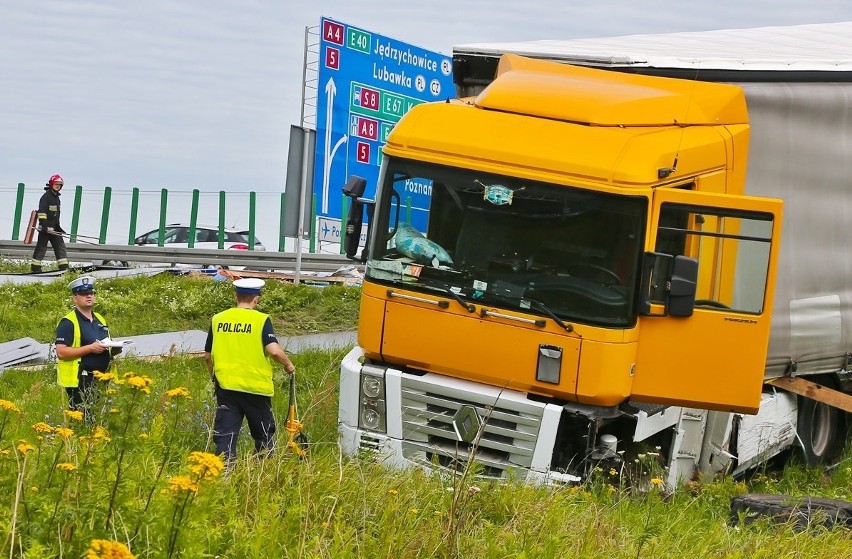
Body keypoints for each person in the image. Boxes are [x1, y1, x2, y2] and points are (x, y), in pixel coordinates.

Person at [203, 278, 296, 463]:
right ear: (256, 299)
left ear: (235, 296)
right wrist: (288, 365)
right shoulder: (261, 320)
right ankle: (264, 472)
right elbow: (274, 351)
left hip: (226, 387)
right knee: (263, 436)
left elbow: (207, 356)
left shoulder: (218, 319)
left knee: (225, 437)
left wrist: (214, 377)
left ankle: (223, 475)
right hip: (256, 390)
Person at [55, 276, 121, 420]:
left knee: (100, 417)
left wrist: (114, 348)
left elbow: (104, 342)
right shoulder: (68, 322)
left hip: (102, 378)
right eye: (84, 294)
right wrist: (90, 349)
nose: (89, 296)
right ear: (75, 298)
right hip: (82, 379)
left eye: (91, 293)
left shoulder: (99, 319)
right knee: (82, 419)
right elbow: (61, 352)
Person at [31, 174, 69, 273]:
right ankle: (35, 268)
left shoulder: (56, 197)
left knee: (60, 247)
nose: (58, 186)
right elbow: (42, 212)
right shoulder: (46, 197)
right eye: (56, 184)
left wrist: (57, 228)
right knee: (41, 248)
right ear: (52, 184)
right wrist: (44, 226)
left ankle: (64, 268)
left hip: (55, 228)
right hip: (45, 228)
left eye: (60, 185)